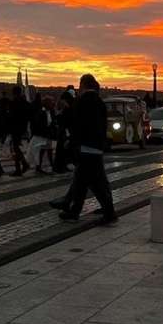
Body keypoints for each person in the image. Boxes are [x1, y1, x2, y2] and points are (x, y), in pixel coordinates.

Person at [51, 74, 117, 225]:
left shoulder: (82, 101)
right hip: (97, 146)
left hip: (85, 146)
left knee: (94, 183)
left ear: (83, 85)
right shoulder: (100, 102)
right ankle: (74, 210)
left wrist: (71, 142)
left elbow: (77, 124)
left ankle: (109, 213)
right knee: (84, 181)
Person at [6, 87, 32, 176]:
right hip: (22, 127)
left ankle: (22, 165)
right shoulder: (25, 103)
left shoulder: (13, 103)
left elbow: (10, 116)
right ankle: (21, 166)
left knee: (16, 148)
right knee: (16, 147)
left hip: (15, 127)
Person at [29, 95, 56, 174]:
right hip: (43, 134)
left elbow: (51, 122)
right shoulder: (41, 112)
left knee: (48, 150)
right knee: (44, 151)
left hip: (48, 134)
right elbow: (39, 123)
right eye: (51, 102)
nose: (52, 104)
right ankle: (41, 166)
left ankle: (44, 166)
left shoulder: (51, 111)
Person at [52, 91, 75, 174]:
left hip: (64, 131)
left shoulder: (67, 109)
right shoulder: (68, 108)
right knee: (63, 150)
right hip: (65, 131)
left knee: (62, 150)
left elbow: (63, 120)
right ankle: (61, 166)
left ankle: (60, 166)